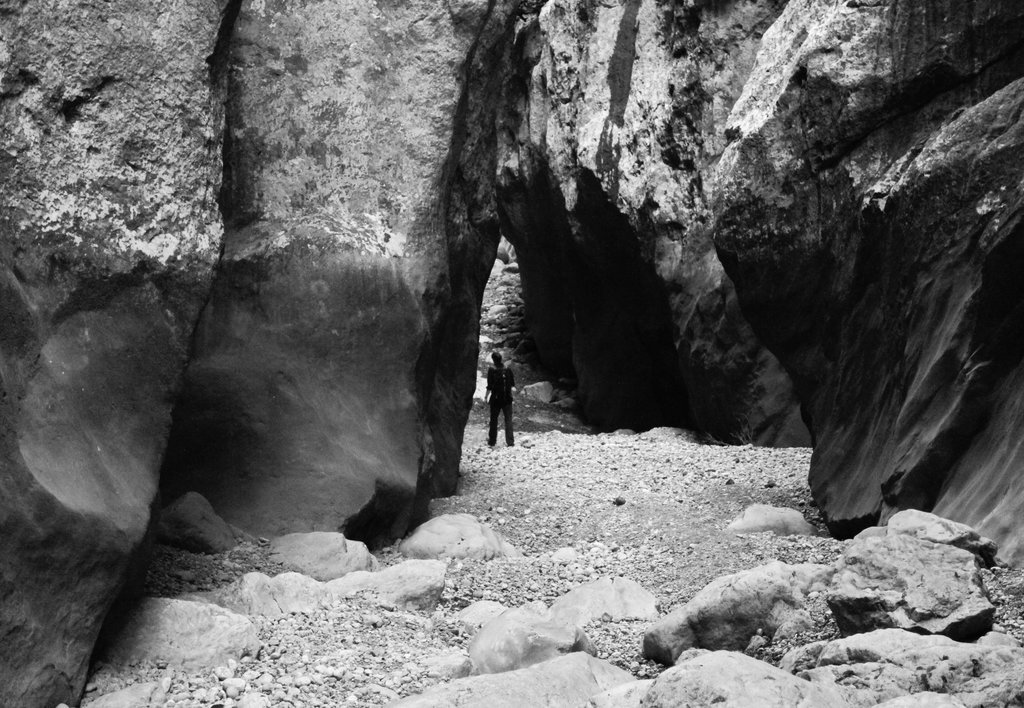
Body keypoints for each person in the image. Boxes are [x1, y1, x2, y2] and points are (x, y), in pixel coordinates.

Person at [485, 352, 515, 447]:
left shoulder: (491, 369)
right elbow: (512, 384)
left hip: (496, 399)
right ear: (501, 359)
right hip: (507, 398)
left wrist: (486, 397)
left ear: (493, 359)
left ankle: (492, 441)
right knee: (508, 420)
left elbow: (490, 386)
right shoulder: (507, 369)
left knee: (494, 420)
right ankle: (510, 442)